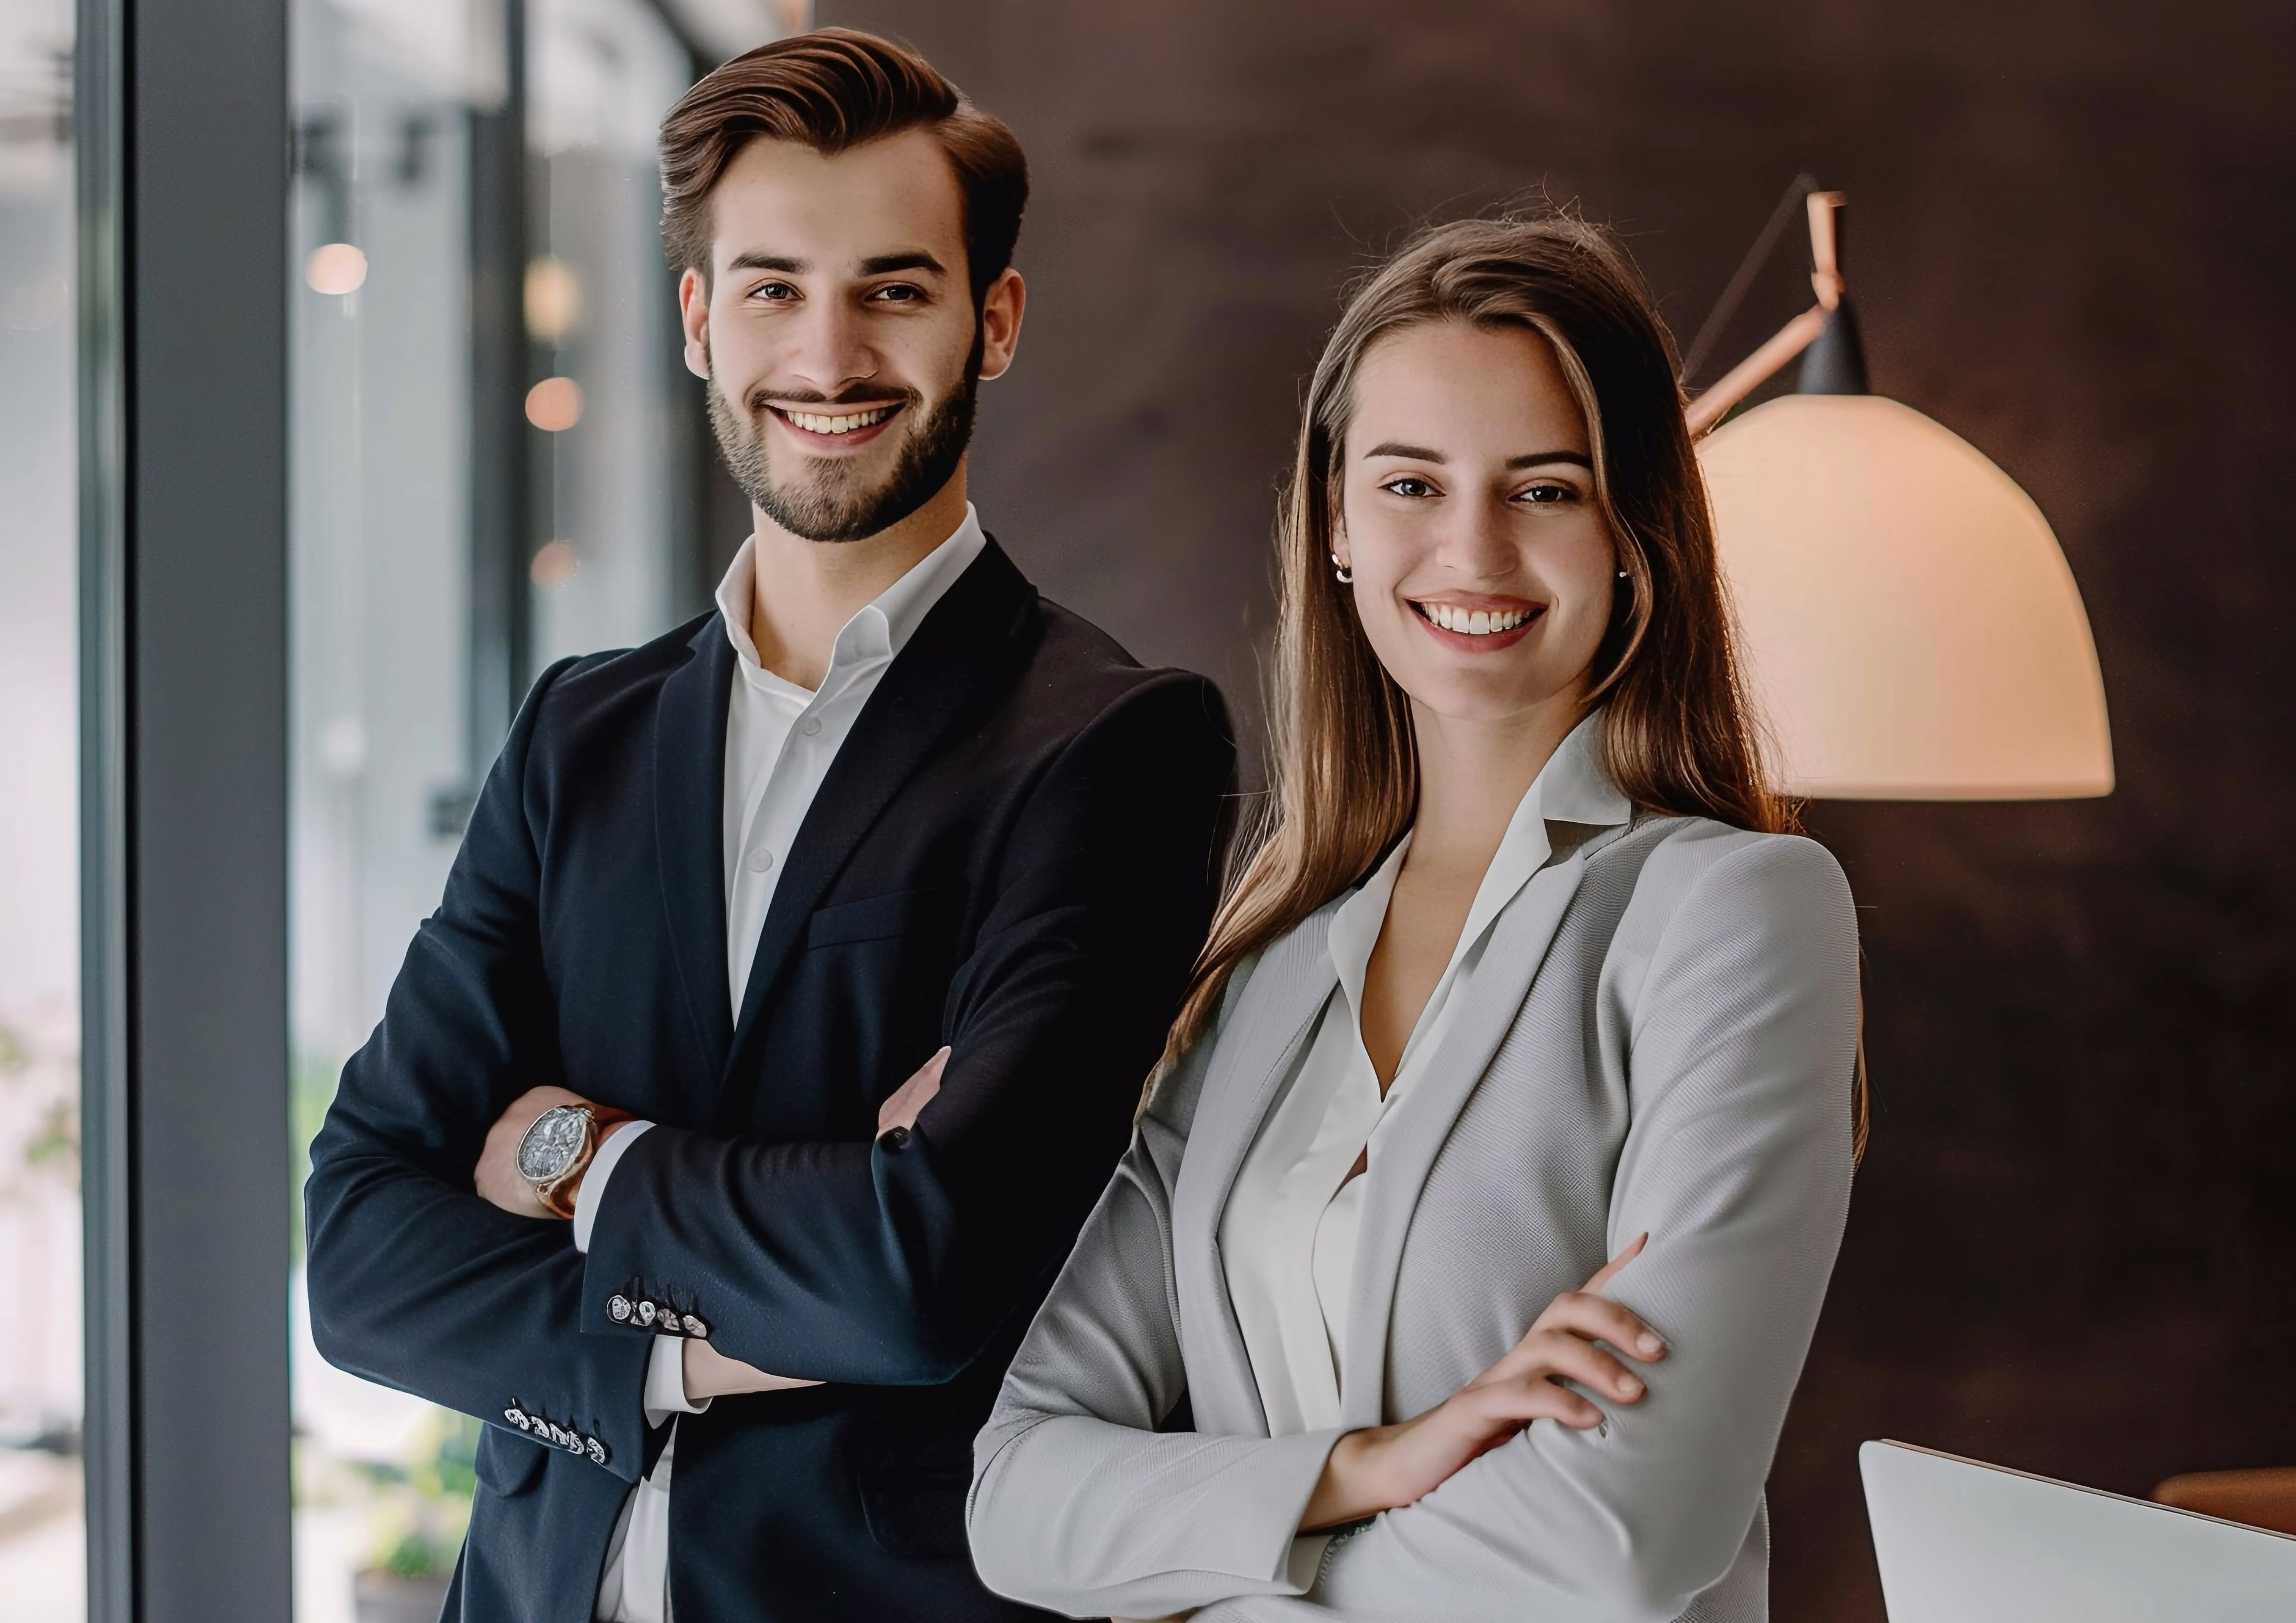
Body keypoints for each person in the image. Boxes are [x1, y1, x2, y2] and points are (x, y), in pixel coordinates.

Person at [304, 29, 1234, 1623]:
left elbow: (924, 1271)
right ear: (695, 320)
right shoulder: (578, 734)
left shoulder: (1114, 746)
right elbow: (361, 1244)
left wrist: (578, 1155)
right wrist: (684, 1348)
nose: (828, 353)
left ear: (991, 321)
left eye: (893, 288)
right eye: (772, 289)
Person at [966, 212, 1862, 1622]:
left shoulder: (1732, 913)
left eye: (1547, 490)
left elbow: (1622, 1541)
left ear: (1638, 533)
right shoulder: (1255, 972)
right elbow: (1016, 1495)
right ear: (1334, 519)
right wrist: (1369, 1467)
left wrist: (1216, 1559)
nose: (1472, 548)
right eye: (1409, 483)